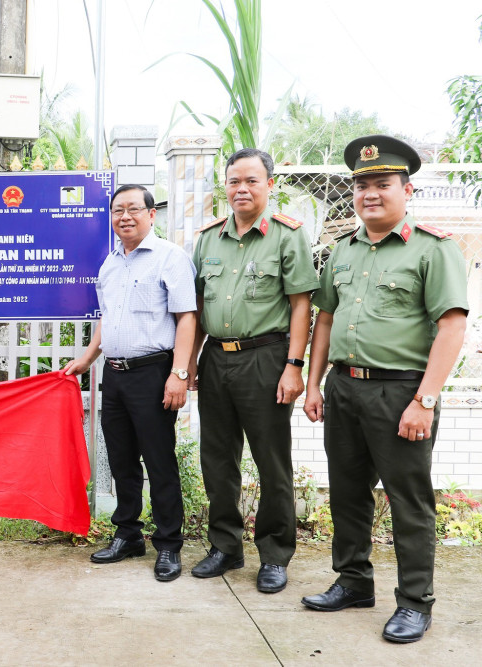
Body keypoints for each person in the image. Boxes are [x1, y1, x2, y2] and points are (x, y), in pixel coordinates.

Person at [302, 135, 468, 643]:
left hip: (401, 395)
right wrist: (314, 383)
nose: (370, 193)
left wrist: (425, 400)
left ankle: (415, 602)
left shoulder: (433, 250)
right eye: (363, 185)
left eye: (382, 184)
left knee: (408, 501)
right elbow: (324, 319)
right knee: (348, 495)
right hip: (346, 389)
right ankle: (353, 582)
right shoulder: (343, 252)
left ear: (407, 189)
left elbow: (452, 327)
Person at [188, 148, 319, 593]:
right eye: (233, 181)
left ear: (270, 185)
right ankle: (225, 546)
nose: (241, 189)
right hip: (216, 359)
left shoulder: (287, 236)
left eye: (251, 181)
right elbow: (197, 310)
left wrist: (293, 367)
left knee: (271, 460)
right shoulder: (208, 238)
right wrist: (188, 366)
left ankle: (275, 554)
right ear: (225, 186)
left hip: (266, 358)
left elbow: (301, 304)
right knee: (218, 460)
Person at [65, 184, 197, 582]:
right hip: (115, 375)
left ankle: (169, 545)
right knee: (120, 459)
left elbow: (187, 318)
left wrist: (179, 374)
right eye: (118, 209)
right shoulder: (110, 264)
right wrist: (89, 357)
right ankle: (128, 535)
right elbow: (107, 319)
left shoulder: (170, 259)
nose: (125, 216)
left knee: (158, 461)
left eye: (133, 209)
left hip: (154, 373)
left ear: (151, 214)